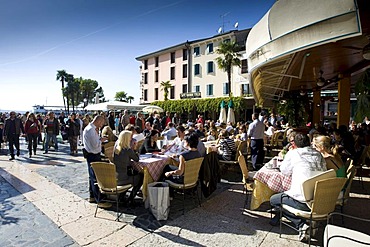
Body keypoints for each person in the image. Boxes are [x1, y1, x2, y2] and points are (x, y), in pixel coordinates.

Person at [269, 133, 327, 241]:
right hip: (320, 200)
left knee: (274, 200)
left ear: (294, 144)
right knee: (285, 198)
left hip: (303, 201)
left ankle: (301, 225)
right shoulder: (318, 154)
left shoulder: (294, 153)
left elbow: (284, 171)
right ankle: (309, 222)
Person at [83, 115, 109, 206]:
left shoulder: (91, 129)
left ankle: (92, 196)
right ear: (98, 121)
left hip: (92, 154)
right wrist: (101, 140)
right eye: (102, 123)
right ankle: (99, 200)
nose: (102, 125)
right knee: (95, 177)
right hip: (93, 155)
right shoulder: (91, 130)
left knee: (92, 176)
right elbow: (95, 145)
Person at [113, 130, 143, 206]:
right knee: (141, 177)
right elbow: (137, 159)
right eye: (130, 138)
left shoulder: (116, 149)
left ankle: (122, 197)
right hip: (124, 179)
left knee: (130, 173)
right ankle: (131, 198)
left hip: (116, 177)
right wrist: (135, 148)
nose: (131, 139)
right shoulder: (127, 150)